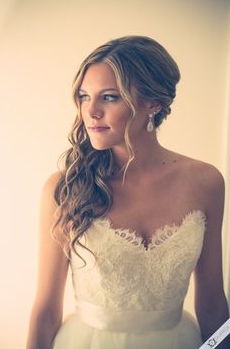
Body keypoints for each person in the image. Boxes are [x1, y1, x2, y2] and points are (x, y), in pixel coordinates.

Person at [26, 35, 229, 349]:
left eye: (109, 97)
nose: (90, 111)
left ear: (154, 103)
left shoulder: (206, 182)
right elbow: (46, 311)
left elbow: (213, 301)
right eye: (83, 96)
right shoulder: (64, 188)